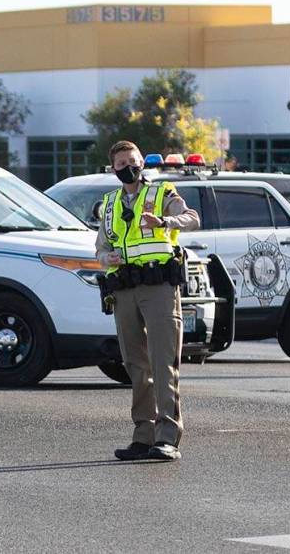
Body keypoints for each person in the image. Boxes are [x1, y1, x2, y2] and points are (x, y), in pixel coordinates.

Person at [95, 140, 200, 462]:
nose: (129, 167)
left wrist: (166, 222)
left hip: (159, 287)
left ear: (142, 163)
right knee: (135, 366)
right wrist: (106, 257)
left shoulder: (161, 194)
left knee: (162, 362)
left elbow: (192, 218)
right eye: (122, 163)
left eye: (133, 160)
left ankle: (168, 438)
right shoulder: (110, 203)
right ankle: (143, 436)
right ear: (112, 169)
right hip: (125, 288)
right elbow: (99, 249)